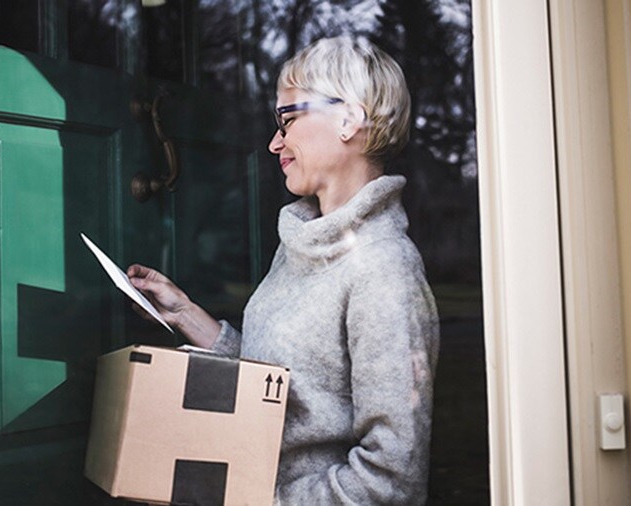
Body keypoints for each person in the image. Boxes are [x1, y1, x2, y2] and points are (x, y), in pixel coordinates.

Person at [127, 35, 439, 505]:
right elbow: (281, 386)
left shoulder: (383, 270)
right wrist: (187, 314)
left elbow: (391, 479)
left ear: (349, 118)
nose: (275, 142)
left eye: (288, 118)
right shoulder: (303, 239)